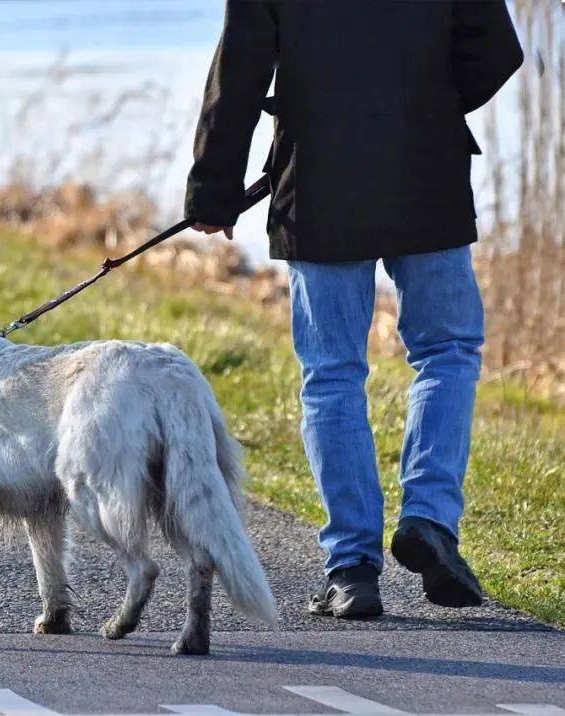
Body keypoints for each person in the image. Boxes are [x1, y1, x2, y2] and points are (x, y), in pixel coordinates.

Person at [185, 1, 523, 618]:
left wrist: (213, 189)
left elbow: (238, 72)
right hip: (428, 172)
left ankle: (352, 569)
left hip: (318, 184)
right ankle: (430, 520)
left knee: (333, 372)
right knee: (447, 352)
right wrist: (425, 104)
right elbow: (497, 53)